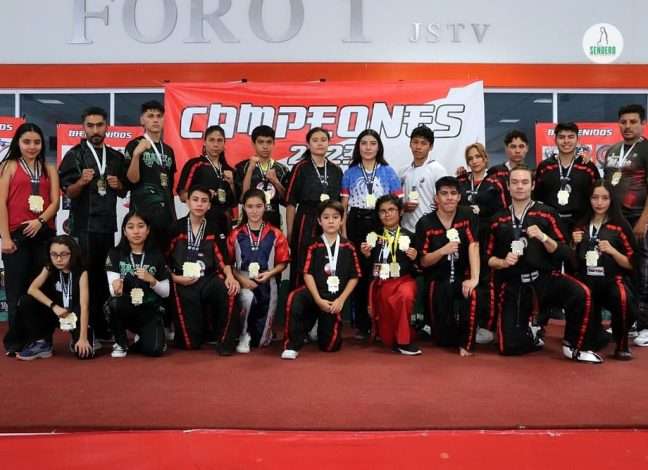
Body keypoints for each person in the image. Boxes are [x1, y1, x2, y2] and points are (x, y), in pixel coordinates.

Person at [486, 165, 602, 362]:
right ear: (508, 186)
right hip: (514, 284)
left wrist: (544, 237)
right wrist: (502, 262)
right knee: (508, 347)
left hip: (545, 279)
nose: (519, 186)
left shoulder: (547, 213)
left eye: (524, 182)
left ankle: (573, 345)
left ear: (532, 186)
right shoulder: (497, 219)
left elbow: (565, 252)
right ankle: (532, 332)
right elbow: (487, 257)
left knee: (580, 292)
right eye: (515, 182)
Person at [58, 106, 127, 342]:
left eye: (99, 125)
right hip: (83, 227)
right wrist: (81, 181)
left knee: (104, 277)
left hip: (107, 226)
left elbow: (123, 190)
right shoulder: (74, 155)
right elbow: (69, 192)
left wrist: (119, 185)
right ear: (84, 127)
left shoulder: (116, 157)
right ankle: (83, 330)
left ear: (107, 127)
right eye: (91, 125)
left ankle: (102, 326)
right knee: (84, 277)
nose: (95, 130)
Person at [0, 123, 59, 356]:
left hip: (44, 234)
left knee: (42, 288)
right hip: (17, 236)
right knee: (16, 290)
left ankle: (42, 339)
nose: (32, 146)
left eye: (37, 142)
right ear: (18, 143)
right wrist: (5, 238)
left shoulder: (49, 168)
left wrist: (40, 221)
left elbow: (55, 202)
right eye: (27, 142)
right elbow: (1, 204)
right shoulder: (8, 166)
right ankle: (16, 341)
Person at [341, 129, 402, 339]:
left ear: (379, 147)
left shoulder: (388, 171)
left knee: (380, 271)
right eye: (364, 143)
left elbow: (397, 204)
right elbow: (344, 206)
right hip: (356, 223)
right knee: (359, 273)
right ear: (358, 147)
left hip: (380, 221)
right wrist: (344, 234)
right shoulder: (350, 172)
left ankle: (382, 321)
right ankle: (362, 325)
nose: (368, 147)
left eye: (372, 143)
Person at [282, 200, 361, 359]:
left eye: (335, 217)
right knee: (294, 297)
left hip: (334, 298)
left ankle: (318, 324)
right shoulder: (312, 245)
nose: (331, 221)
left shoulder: (349, 247)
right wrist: (318, 299)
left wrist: (341, 300)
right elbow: (307, 274)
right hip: (314, 293)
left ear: (342, 220)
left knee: (330, 346)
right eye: (326, 217)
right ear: (319, 221)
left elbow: (355, 276)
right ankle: (292, 344)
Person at [168, 186, 241, 355]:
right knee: (190, 344)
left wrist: (230, 277)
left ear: (209, 205)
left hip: (208, 278)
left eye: (204, 201)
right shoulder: (175, 227)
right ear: (188, 202)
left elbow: (222, 257)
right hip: (182, 281)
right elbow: (163, 260)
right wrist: (175, 278)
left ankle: (225, 342)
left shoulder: (214, 228)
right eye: (195, 200)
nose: (199, 204)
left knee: (230, 290)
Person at [572, 181, 637, 360]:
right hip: (587, 281)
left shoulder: (620, 226)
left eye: (604, 198)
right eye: (595, 198)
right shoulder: (580, 226)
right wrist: (573, 245)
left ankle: (622, 343)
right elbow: (572, 263)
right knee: (590, 342)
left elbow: (632, 264)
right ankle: (597, 334)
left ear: (611, 200)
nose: (599, 203)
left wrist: (613, 251)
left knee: (623, 297)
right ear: (589, 199)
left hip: (611, 281)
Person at [415, 177, 480, 356]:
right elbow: (423, 261)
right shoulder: (425, 223)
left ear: (459, 197)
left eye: (453, 193)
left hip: (463, 275)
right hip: (437, 278)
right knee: (443, 339)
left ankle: (467, 344)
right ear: (436, 198)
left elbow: (474, 245)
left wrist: (474, 279)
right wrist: (442, 251)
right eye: (444, 194)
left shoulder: (468, 215)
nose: (449, 198)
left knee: (471, 292)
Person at [602, 104, 648, 347]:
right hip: (616, 221)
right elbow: (607, 186)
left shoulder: (646, 149)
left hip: (639, 220)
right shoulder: (612, 150)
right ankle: (626, 320)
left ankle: (645, 325)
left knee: (643, 272)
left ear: (642, 123)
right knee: (620, 272)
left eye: (633, 121)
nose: (627, 126)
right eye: (623, 122)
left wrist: (644, 220)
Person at [229, 189, 290, 353]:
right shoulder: (236, 234)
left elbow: (283, 263)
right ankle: (243, 334)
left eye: (258, 206)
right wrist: (241, 279)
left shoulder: (276, 233)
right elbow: (228, 264)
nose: (254, 211)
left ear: (265, 207)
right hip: (243, 281)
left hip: (268, 281)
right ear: (244, 208)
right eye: (250, 206)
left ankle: (261, 333)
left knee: (261, 342)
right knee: (247, 298)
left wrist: (270, 273)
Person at [457, 143, 507, 341]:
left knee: (488, 281)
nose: (474, 161)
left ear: (485, 158)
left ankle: (488, 326)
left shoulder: (496, 182)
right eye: (470, 158)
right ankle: (468, 322)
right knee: (466, 277)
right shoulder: (461, 181)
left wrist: (484, 213)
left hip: (488, 237)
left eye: (478, 157)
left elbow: (504, 210)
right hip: (465, 238)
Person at [14, 236, 94, 360]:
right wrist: (54, 306)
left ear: (73, 254)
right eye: (54, 254)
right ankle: (42, 342)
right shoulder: (49, 268)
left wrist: (83, 338)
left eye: (64, 254)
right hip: (55, 313)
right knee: (26, 301)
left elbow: (84, 306)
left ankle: (80, 334)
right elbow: (32, 289)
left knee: (84, 355)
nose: (58, 259)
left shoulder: (81, 272)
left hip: (75, 315)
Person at [105, 211, 170, 358]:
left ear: (148, 230)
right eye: (131, 227)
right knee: (113, 303)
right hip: (126, 307)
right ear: (124, 231)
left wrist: (152, 280)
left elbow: (166, 292)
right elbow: (113, 291)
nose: (136, 231)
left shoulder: (156, 255)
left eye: (141, 226)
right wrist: (117, 288)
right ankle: (120, 342)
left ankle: (144, 338)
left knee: (155, 350)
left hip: (149, 309)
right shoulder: (115, 253)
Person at [362, 194, 421, 355]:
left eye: (391, 210)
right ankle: (397, 337)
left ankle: (404, 342)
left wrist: (415, 258)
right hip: (382, 283)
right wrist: (366, 256)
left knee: (405, 295)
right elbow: (366, 269)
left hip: (404, 280)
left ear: (400, 212)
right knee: (388, 339)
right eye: (383, 211)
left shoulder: (410, 236)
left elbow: (419, 267)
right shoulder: (372, 237)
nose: (387, 214)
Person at [286, 127, 343, 289]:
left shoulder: (336, 170)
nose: (320, 143)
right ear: (308, 144)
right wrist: (290, 232)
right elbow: (291, 202)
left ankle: (325, 296)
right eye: (315, 140)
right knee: (302, 262)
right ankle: (297, 297)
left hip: (330, 221)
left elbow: (340, 204)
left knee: (327, 261)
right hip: (306, 220)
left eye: (323, 140)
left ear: (329, 143)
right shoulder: (300, 167)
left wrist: (340, 229)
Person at [124, 101, 177, 251]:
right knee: (145, 257)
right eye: (150, 116)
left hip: (166, 216)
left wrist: (173, 215)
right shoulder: (134, 145)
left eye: (159, 116)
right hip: (143, 217)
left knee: (165, 258)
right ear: (142, 120)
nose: (155, 120)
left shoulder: (168, 150)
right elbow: (132, 179)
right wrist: (136, 155)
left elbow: (169, 186)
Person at [534, 122, 599, 238]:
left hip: (580, 225)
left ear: (577, 139)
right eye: (561, 137)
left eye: (570, 137)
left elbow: (596, 196)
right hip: (551, 224)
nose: (566, 141)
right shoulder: (545, 167)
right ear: (555, 140)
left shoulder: (588, 167)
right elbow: (537, 197)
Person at [177, 125, 236, 233]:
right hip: (200, 221)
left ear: (224, 143)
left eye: (219, 140)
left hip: (224, 222)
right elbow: (182, 196)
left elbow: (235, 202)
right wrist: (204, 195)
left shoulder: (229, 170)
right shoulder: (195, 164)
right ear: (204, 142)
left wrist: (232, 184)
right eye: (211, 140)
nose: (215, 144)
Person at [235, 125, 290, 229]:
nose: (265, 146)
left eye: (269, 142)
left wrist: (276, 181)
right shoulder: (242, 167)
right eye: (261, 142)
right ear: (253, 144)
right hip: (248, 223)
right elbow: (242, 198)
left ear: (274, 144)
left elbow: (287, 201)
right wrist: (250, 170)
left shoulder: (282, 169)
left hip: (273, 222)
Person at [399, 125, 447, 233]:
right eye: (415, 142)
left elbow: (445, 202)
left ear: (431, 147)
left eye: (423, 143)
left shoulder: (438, 170)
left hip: (430, 230)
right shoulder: (402, 172)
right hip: (405, 230)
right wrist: (403, 207)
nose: (418, 147)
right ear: (410, 144)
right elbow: (396, 201)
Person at [486, 130, 530, 207]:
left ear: (527, 148)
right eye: (513, 147)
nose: (517, 151)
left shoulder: (532, 174)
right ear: (506, 148)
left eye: (521, 146)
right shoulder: (495, 172)